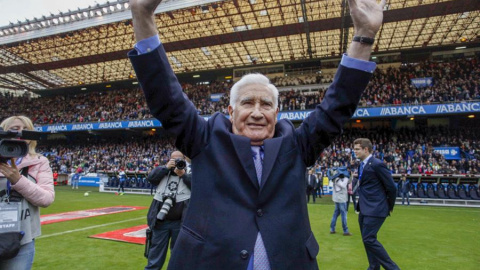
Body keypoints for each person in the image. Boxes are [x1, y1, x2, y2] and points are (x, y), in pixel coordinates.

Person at [128, 0, 385, 268]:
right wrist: (142, 13)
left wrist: (364, 36)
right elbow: (166, 99)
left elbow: (338, 105)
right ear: (231, 110)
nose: (257, 112)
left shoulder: (297, 145)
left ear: (277, 113)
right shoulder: (205, 140)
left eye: (266, 105)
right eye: (248, 103)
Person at [0, 116, 55, 270]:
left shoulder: (39, 162)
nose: (20, 133)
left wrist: (18, 181)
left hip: (22, 238)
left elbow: (47, 199)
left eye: (25, 130)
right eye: (14, 129)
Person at [353, 138, 400, 270]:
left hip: (376, 208)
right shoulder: (361, 164)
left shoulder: (377, 164)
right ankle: (374, 267)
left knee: (369, 239)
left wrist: (389, 206)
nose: (354, 151)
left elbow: (391, 187)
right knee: (367, 240)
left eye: (357, 149)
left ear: (366, 149)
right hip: (364, 208)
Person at [144, 151, 191, 270]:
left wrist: (183, 174)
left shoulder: (190, 171)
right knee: (155, 256)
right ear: (169, 160)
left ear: (184, 159)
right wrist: (165, 168)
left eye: (179, 159)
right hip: (160, 222)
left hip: (180, 223)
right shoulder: (163, 171)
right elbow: (151, 178)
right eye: (174, 160)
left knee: (178, 256)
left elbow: (197, 186)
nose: (176, 162)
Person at [327, 167, 352, 236]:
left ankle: (332, 229)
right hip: (341, 199)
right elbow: (343, 185)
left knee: (336, 213)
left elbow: (350, 181)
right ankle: (345, 230)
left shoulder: (335, 178)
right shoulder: (339, 178)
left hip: (337, 198)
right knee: (343, 214)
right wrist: (338, 179)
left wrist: (350, 176)